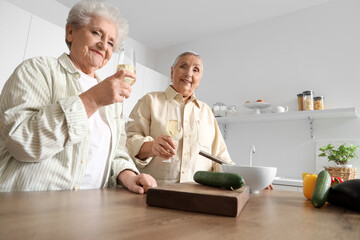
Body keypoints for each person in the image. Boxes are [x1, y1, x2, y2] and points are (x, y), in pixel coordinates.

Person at [0, 0, 156, 194]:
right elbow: (20, 142)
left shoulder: (111, 97)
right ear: (70, 32)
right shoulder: (37, 70)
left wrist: (128, 175)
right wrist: (93, 99)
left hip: (90, 211)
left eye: (111, 42)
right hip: (29, 210)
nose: (103, 45)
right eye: (96, 33)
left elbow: (115, 151)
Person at [126, 51, 235, 186]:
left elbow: (221, 158)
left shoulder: (206, 111)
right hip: (155, 192)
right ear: (172, 72)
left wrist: (252, 179)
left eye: (196, 70)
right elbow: (128, 141)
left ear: (200, 79)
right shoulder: (149, 100)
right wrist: (152, 147)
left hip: (199, 195)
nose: (189, 73)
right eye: (183, 66)